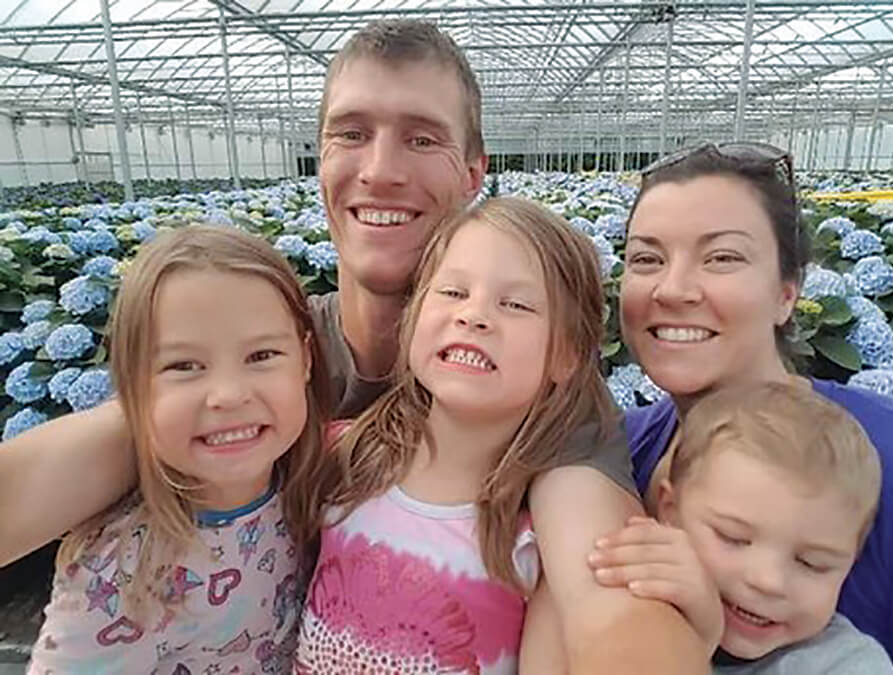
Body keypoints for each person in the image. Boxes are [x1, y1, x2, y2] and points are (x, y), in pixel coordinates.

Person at [0, 20, 708, 673]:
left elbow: (610, 604)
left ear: (473, 173)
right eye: (350, 133)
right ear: (321, 160)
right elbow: (66, 468)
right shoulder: (260, 361)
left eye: (421, 138)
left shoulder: (544, 398)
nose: (379, 170)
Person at [585, 141, 893, 665]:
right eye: (646, 258)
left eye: (722, 257)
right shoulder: (618, 452)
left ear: (787, 292)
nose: (673, 287)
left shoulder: (887, 458)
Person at [297, 195, 624, 672]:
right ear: (412, 320)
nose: (474, 316)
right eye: (452, 292)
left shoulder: (538, 544)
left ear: (568, 356)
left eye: (514, 303)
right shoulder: (338, 456)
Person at [27, 225, 333, 673]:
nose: (227, 395)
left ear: (305, 359)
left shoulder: (310, 492)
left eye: (262, 355)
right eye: (184, 366)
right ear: (133, 382)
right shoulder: (121, 571)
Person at [591, 381, 893, 674]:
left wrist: (697, 647)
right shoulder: (620, 605)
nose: (768, 581)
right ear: (670, 510)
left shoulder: (844, 665)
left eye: (812, 564)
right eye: (733, 538)